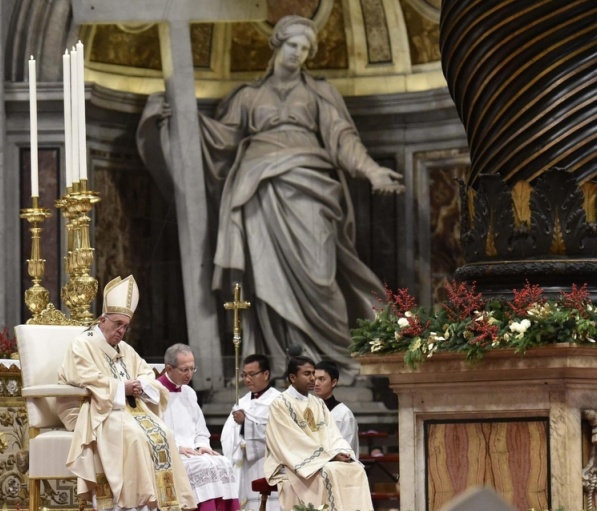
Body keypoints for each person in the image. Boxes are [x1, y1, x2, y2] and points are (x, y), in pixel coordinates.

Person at [140, 15, 404, 384]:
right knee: (263, 283)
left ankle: (331, 362)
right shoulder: (248, 96)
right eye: (293, 45)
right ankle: (276, 364)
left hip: (310, 187)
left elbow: (343, 139)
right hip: (257, 191)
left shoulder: (318, 93)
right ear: (277, 45)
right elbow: (220, 139)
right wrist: (175, 118)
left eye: (306, 48)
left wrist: (373, 171)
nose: (299, 53)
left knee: (319, 276)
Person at [58, 275, 196, 511]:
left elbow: (147, 373)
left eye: (125, 326)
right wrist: (123, 387)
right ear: (103, 320)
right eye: (118, 324)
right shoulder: (83, 345)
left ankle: (154, 508)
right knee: (134, 437)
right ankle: (124, 509)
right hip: (96, 411)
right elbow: (85, 377)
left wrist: (140, 386)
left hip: (129, 411)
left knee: (164, 433)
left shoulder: (125, 349)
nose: (121, 331)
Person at [265, 356, 373, 511]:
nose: (313, 378)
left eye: (313, 373)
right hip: (293, 462)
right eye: (307, 374)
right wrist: (328, 457)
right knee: (329, 472)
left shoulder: (318, 403)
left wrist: (341, 452)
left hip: (321, 459)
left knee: (356, 469)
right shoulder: (281, 404)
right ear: (293, 378)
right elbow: (290, 442)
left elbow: (333, 434)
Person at [157, 343, 240, 511]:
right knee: (201, 466)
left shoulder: (189, 392)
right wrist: (178, 448)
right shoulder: (155, 393)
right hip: (171, 453)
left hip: (193, 452)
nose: (189, 374)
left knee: (223, 462)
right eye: (184, 369)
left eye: (192, 369)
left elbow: (200, 429)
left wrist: (202, 445)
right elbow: (154, 431)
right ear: (169, 368)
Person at [220, 353, 282, 511]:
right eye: (244, 375)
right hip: (243, 465)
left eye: (252, 374)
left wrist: (246, 423)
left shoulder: (278, 401)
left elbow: (278, 434)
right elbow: (227, 433)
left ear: (266, 374)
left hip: (265, 464)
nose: (247, 379)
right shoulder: (242, 401)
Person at [314, 359, 360, 458]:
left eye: (321, 379)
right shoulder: (309, 410)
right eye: (315, 379)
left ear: (333, 382)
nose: (316, 383)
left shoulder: (343, 414)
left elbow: (347, 451)